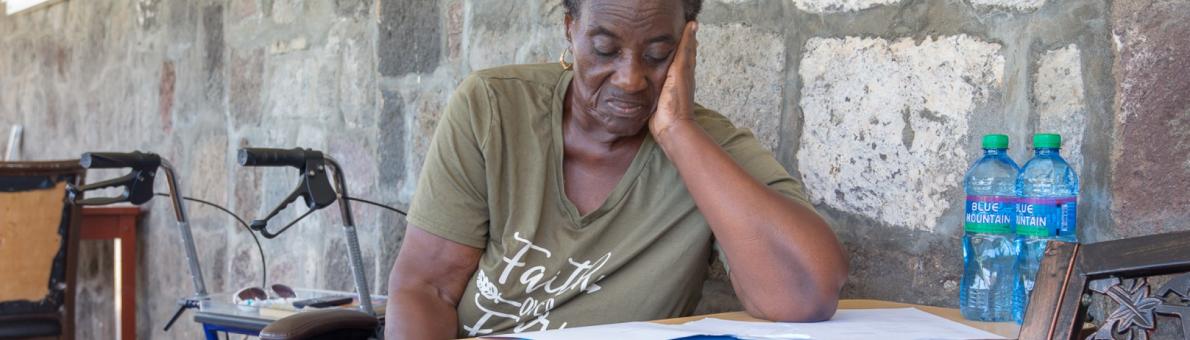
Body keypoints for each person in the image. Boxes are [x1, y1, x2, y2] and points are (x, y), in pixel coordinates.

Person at [385, 0, 848, 337]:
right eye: (605, 50)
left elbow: (805, 293)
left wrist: (678, 133)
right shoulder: (492, 108)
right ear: (571, 30)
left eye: (656, 54)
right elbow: (427, 288)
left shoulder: (708, 150)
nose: (630, 78)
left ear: (688, 44)